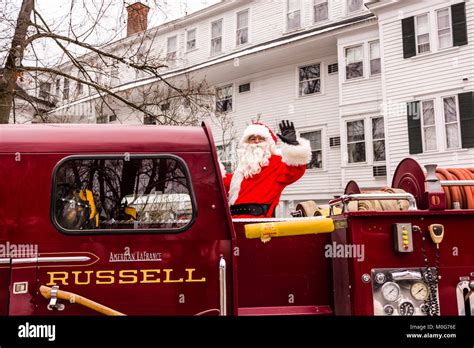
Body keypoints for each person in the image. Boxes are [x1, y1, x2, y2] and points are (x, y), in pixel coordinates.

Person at [220, 120, 312, 218]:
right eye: (252, 138)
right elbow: (221, 184)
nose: (256, 141)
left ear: (268, 142)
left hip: (258, 223)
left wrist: (294, 146)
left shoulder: (277, 163)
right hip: (233, 222)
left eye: (261, 138)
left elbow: (295, 170)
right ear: (246, 143)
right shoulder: (241, 170)